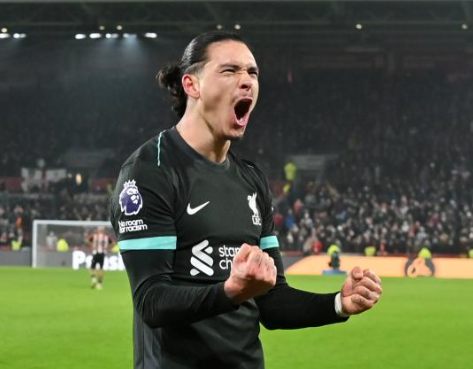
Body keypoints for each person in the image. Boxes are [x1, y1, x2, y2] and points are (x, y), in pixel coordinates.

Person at [110, 31, 383, 369]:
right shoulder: (150, 171)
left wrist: (339, 303)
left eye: (252, 72)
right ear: (191, 85)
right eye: (230, 70)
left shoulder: (251, 180)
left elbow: (272, 301)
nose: (247, 81)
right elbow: (152, 301)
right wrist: (230, 291)